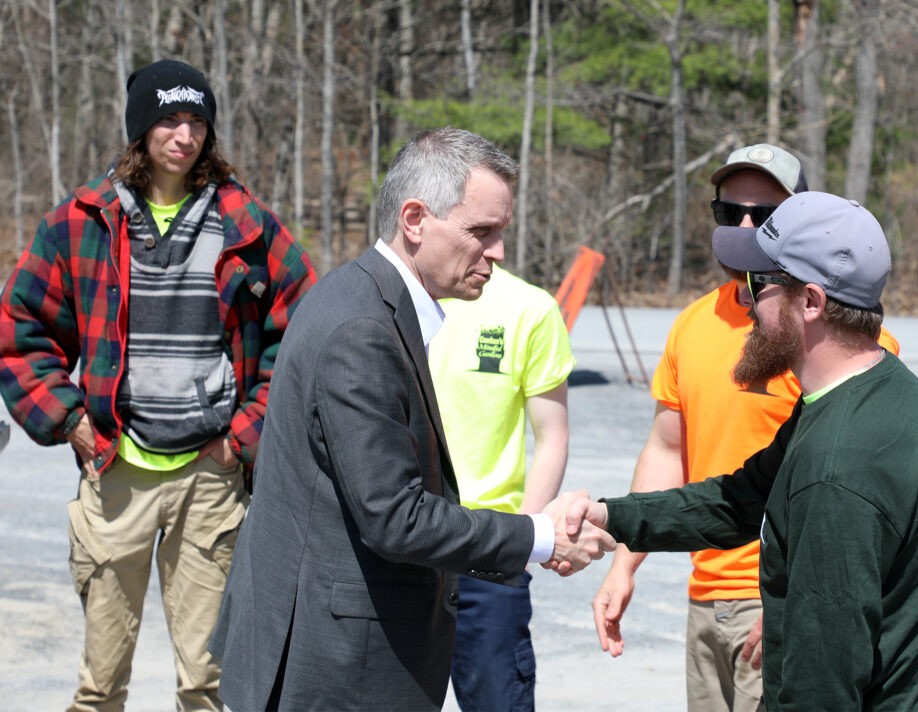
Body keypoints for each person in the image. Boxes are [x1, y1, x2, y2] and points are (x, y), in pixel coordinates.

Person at [208, 126, 615, 712]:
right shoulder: (362, 330)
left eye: (502, 232)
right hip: (335, 665)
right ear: (415, 219)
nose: (498, 252)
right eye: (481, 232)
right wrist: (540, 536)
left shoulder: (360, 298)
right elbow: (394, 517)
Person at [565, 192, 918, 711]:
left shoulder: (838, 470)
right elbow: (739, 500)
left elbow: (822, 686)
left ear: (810, 302)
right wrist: (610, 517)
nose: (743, 303)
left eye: (756, 284)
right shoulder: (867, 389)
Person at [0, 59, 316, 711]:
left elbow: (302, 337)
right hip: (116, 471)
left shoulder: (247, 225)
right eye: (169, 118)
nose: (185, 134)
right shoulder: (82, 222)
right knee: (100, 684)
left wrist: (244, 436)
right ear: (140, 129)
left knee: (209, 683)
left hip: (210, 476)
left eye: (197, 119)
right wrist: (69, 420)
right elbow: (19, 325)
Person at [591, 144, 898, 712]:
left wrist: (791, 604)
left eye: (766, 214)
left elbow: (857, 486)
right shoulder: (690, 326)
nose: (747, 225)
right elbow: (665, 450)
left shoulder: (825, 333)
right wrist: (622, 564)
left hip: (778, 598)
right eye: (731, 213)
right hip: (704, 598)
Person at [429, 263, 575, 711]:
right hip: (403, 544)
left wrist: (522, 542)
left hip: (489, 554)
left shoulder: (529, 308)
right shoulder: (397, 298)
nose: (493, 244)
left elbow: (552, 436)